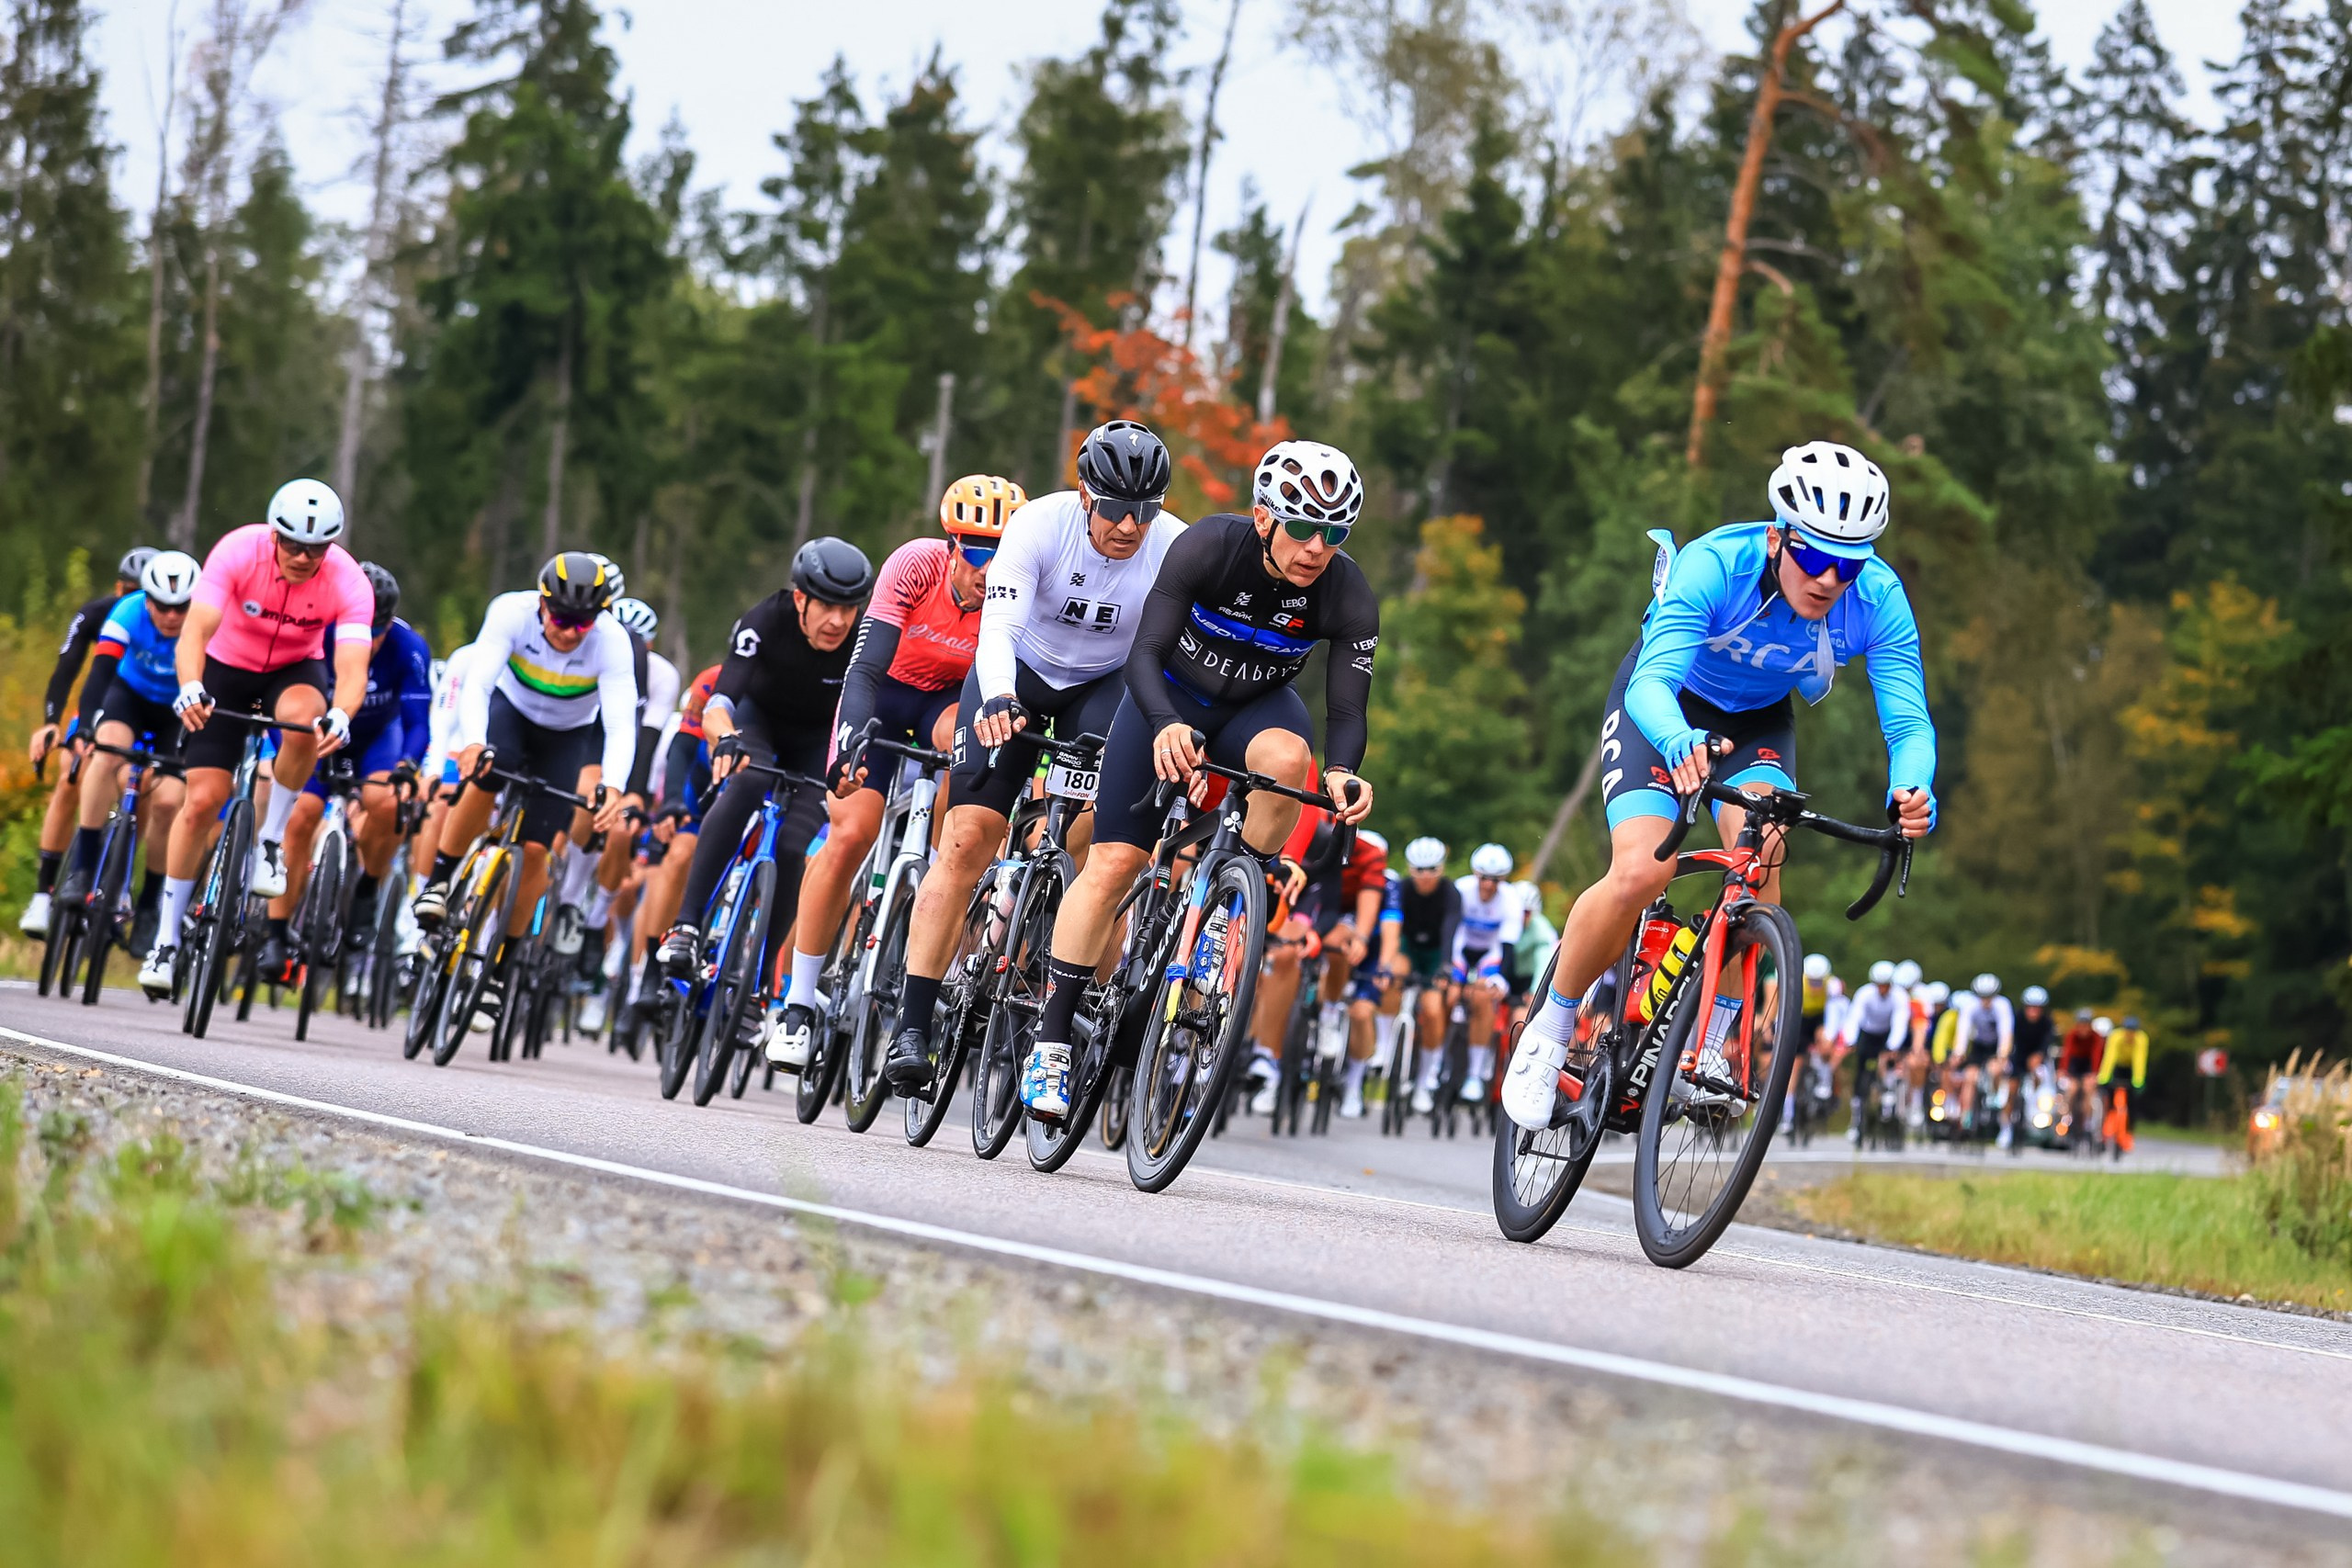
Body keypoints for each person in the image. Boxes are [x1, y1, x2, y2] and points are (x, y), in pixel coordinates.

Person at [1502, 441, 1937, 1132]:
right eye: (1815, 557)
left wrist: (1912, 787)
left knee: (1762, 855)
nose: (1828, 579)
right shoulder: (1717, 564)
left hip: (1759, 721)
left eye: (1847, 565)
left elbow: (1908, 720)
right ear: (1778, 536)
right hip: (1664, 707)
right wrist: (1678, 741)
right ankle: (1549, 1031)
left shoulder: (1878, 599)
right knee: (1644, 869)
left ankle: (1712, 1052)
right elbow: (1651, 680)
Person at [1017, 438, 1381, 1119]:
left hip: (1253, 709)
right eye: (1302, 527)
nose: (1316, 547)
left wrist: (1343, 773)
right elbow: (1145, 652)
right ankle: (1052, 1040)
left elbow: (1346, 709)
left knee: (1290, 760)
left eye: (1335, 533)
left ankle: (1232, 902)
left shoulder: (1348, 590)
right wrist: (1160, 721)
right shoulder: (1211, 547)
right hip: (1168, 696)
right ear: (1264, 516)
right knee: (1115, 861)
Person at [872, 447, 1188, 1084]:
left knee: (1102, 852)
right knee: (965, 840)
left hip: (1102, 688)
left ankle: (1074, 974)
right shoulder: (1040, 526)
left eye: (1145, 511)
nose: (1130, 526)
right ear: (1084, 495)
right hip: (1018, 674)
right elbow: (998, 630)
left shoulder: (1172, 546)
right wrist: (996, 694)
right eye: (1117, 509)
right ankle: (911, 1024)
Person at [757, 479, 1022, 1072]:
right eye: (978, 552)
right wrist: (848, 742)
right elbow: (865, 667)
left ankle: (935, 895)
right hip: (885, 693)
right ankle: (798, 1005)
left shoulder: (1014, 594)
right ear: (953, 545)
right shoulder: (914, 565)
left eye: (1002, 555)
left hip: (946, 704)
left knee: (969, 756)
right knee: (852, 832)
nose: (988, 569)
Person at [140, 481, 374, 998]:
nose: (301, 556)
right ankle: (164, 940)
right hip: (223, 669)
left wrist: (341, 712)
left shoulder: (349, 581)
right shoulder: (238, 550)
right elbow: (195, 632)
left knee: (307, 723)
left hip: (291, 671)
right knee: (201, 802)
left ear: (331, 547)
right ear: (273, 535)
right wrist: (191, 685)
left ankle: (270, 841)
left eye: (315, 548)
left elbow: (352, 669)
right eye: (290, 543)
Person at [653, 539, 873, 1040]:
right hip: (759, 725)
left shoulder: (862, 636)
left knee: (796, 847)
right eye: (828, 608)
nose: (838, 621)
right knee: (749, 782)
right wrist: (725, 738)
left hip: (818, 741)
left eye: (848, 608)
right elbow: (720, 700)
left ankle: (754, 985)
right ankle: (686, 927)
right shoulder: (765, 620)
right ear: (801, 600)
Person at [410, 552, 639, 1016]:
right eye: (560, 617)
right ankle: (438, 880)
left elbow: (620, 723)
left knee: (536, 851)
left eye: (582, 623)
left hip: (567, 735)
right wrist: (474, 743)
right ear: (541, 602)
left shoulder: (613, 642)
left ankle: (499, 966)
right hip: (510, 712)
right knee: (490, 772)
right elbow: (476, 685)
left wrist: (613, 785)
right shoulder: (510, 611)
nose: (569, 631)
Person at [257, 562, 434, 977]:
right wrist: (287, 753)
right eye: (363, 629)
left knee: (386, 802)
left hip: (377, 739)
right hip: (320, 734)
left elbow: (418, 720)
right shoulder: (318, 632)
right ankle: (275, 932)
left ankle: (368, 889)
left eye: (379, 631)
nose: (370, 641)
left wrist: (409, 765)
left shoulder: (409, 648)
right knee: (300, 815)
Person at [59, 550, 198, 952]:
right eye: (162, 606)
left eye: (181, 608)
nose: (172, 617)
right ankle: (82, 869)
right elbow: (99, 675)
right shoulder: (126, 613)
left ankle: (151, 903)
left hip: (178, 711)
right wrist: (85, 724)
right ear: (146, 598)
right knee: (105, 756)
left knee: (170, 801)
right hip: (129, 698)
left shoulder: (207, 623)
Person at [23, 547, 153, 936]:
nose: (136, 601)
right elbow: (67, 668)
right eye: (129, 590)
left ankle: (119, 882)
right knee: (70, 775)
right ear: (118, 587)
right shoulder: (98, 613)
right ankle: (43, 894)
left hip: (149, 709)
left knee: (144, 785)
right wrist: (51, 722)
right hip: (99, 707)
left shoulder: (169, 621)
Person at [1840, 959, 1906, 1141]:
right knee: (1861, 1075)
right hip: (1868, 1034)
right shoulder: (1865, 994)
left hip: (1887, 1034)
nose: (1882, 989)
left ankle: (1888, 1096)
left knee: (1887, 1063)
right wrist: (1851, 1040)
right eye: (1879, 985)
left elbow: (1900, 1022)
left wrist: (1893, 1046)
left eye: (1886, 986)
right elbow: (1855, 1017)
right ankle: (1855, 1121)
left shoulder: (1899, 996)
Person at [2098, 1014, 2149, 1156]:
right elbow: (2109, 1058)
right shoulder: (2116, 1036)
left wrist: (2138, 1082)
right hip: (2117, 1068)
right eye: (2128, 1031)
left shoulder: (2141, 1039)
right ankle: (2104, 1134)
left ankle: (2128, 1134)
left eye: (2132, 1032)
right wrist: (2104, 1078)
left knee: (2132, 1105)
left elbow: (2140, 1061)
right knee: (2109, 1100)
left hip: (2130, 1069)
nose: (2130, 1035)